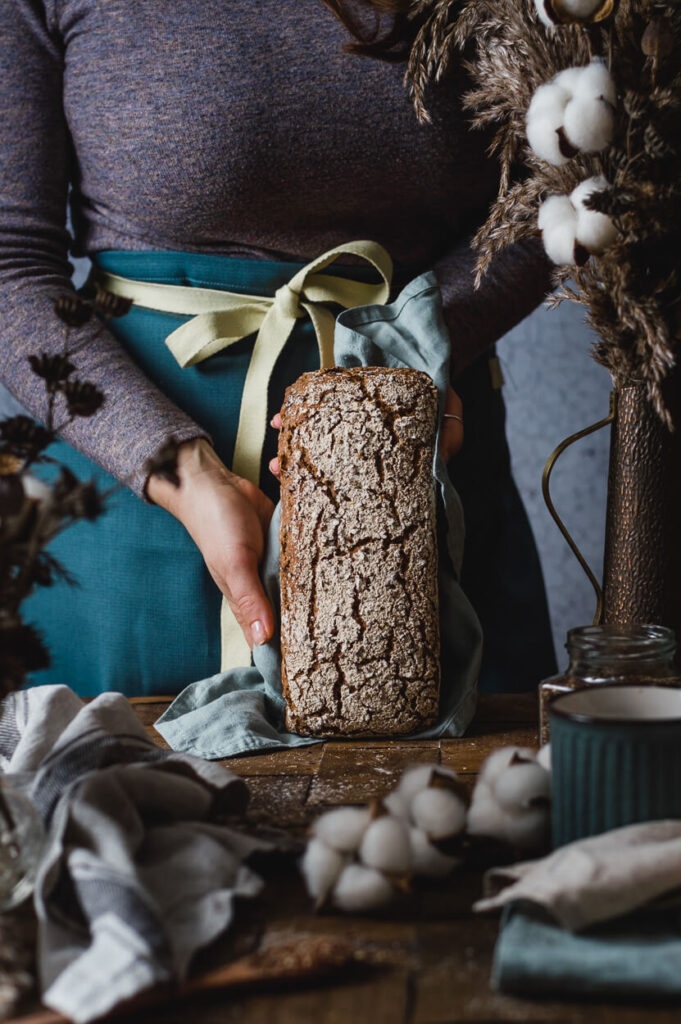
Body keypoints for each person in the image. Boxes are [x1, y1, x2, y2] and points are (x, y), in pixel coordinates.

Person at [0, 0, 556, 697]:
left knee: (442, 789)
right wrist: (177, 469)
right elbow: (9, 262)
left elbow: (555, 199)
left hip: (413, 449)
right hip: (127, 476)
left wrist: (406, 361)